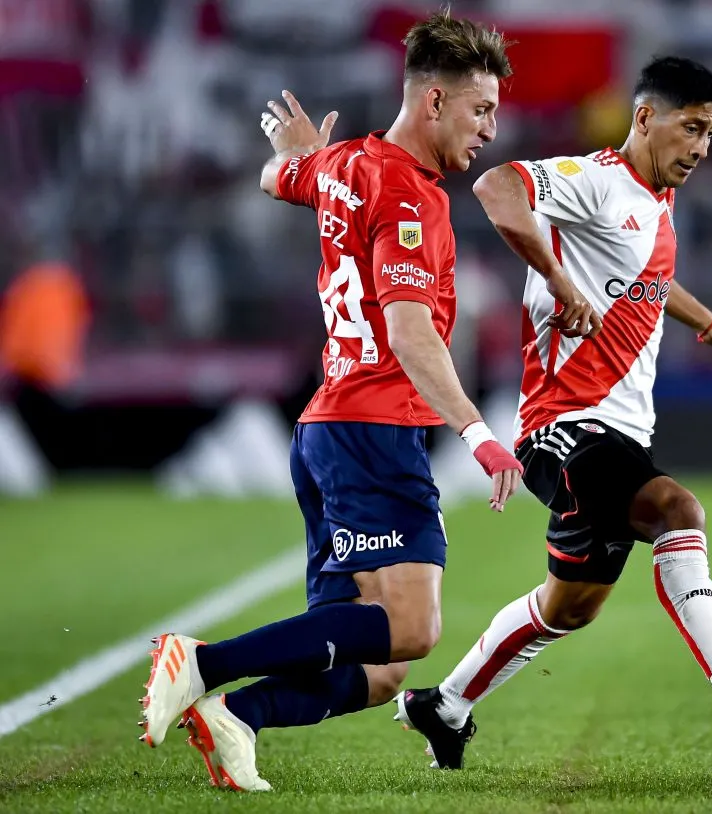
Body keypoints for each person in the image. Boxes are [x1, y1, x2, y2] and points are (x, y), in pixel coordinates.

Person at [138, 11, 534, 792]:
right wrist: (480, 433)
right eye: (480, 109)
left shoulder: (345, 164)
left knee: (378, 667)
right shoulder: (414, 199)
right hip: (373, 432)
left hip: (326, 432)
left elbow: (275, 176)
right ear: (432, 103)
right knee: (414, 630)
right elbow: (413, 333)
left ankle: (238, 718)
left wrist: (299, 158)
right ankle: (199, 663)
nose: (491, 127)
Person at [394, 56, 712, 769]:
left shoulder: (656, 199)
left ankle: (444, 705)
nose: (703, 147)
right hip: (568, 427)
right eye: (693, 128)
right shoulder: (598, 180)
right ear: (645, 118)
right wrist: (553, 274)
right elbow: (495, 186)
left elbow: (645, 277)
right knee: (677, 510)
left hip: (615, 432)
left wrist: (709, 323)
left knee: (570, 606)